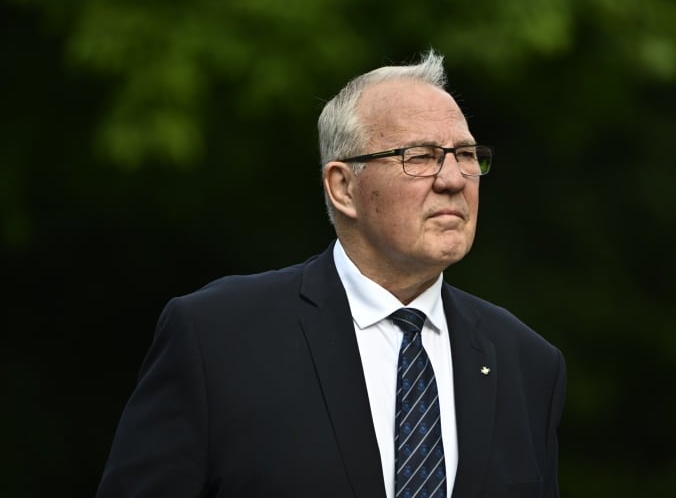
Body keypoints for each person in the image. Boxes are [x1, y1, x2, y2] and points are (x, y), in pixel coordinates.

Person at [96, 50, 566, 498]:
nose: (453, 179)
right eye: (419, 157)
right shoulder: (216, 339)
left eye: (465, 155)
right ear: (343, 187)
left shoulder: (527, 364)